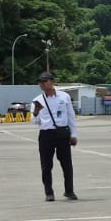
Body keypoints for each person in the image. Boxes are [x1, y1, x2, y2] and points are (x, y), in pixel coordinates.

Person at [31, 71, 78, 201]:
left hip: (63, 132)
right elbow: (34, 121)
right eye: (40, 82)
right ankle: (49, 193)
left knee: (67, 164)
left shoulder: (64, 97)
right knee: (46, 165)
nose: (42, 84)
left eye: (44, 81)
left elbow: (70, 116)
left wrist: (73, 134)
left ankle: (69, 191)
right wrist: (36, 112)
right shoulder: (37, 100)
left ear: (52, 82)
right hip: (46, 134)